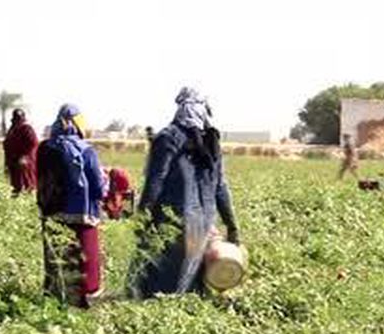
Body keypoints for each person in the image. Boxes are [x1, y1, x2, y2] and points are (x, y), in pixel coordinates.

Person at [130, 87, 240, 298]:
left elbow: (155, 182)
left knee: (158, 279)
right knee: (189, 278)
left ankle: (153, 314)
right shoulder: (212, 141)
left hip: (171, 219)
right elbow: (221, 188)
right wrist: (232, 226)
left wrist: (142, 218)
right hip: (203, 223)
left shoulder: (168, 137)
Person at [36, 104, 106, 307]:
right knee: (84, 258)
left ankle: (56, 295)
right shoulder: (86, 150)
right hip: (81, 214)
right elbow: (98, 188)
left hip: (51, 211)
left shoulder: (44, 148)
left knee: (57, 255)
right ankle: (84, 299)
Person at [3, 109, 38, 195]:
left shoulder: (27, 129)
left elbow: (33, 143)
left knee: (27, 180)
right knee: (15, 182)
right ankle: (17, 193)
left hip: (25, 161)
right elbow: (7, 145)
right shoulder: (12, 130)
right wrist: (6, 162)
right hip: (13, 160)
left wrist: (25, 157)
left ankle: (29, 193)